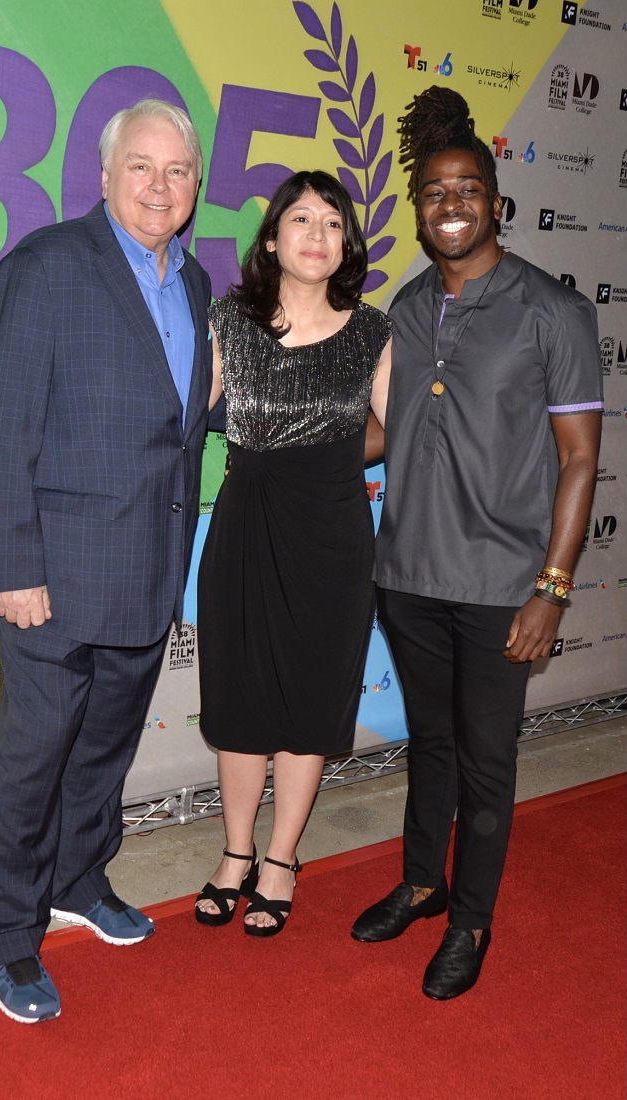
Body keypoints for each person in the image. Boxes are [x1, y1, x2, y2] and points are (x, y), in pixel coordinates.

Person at [0, 99, 214, 1023]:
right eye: (141, 167)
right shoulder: (46, 268)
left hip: (147, 572)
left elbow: (179, 421)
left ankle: (78, 879)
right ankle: (9, 937)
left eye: (178, 171)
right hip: (54, 581)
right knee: (31, 764)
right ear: (104, 177)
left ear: (196, 187)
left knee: (103, 753)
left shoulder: (191, 285)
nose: (160, 186)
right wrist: (14, 567)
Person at [351, 87, 603, 999]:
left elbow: (578, 463)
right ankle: (423, 882)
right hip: (407, 575)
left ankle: (470, 919)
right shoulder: (408, 309)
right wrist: (288, 452)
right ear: (415, 209)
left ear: (495, 202)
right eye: (431, 192)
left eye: (466, 190)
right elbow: (386, 428)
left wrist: (552, 587)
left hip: (504, 583)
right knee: (431, 741)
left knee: (488, 759)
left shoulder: (554, 312)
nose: (449, 205)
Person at [195, 170, 392, 936]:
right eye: (300, 219)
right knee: (241, 696)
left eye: (332, 222)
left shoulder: (372, 331)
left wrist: (334, 455)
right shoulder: (227, 323)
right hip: (245, 524)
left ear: (346, 244)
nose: (316, 233)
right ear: (271, 238)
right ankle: (235, 853)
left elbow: (405, 431)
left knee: (309, 699)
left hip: (333, 536)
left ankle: (281, 858)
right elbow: (181, 423)